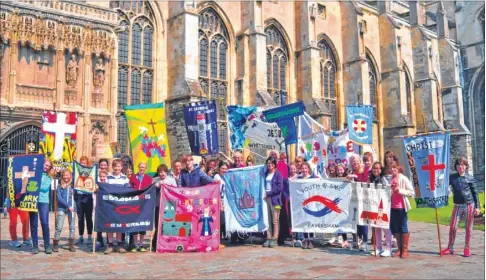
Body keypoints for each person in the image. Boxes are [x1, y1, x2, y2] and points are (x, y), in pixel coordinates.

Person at [441, 157, 481, 258]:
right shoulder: (452, 177)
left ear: (466, 166)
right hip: (457, 205)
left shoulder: (470, 178)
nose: (460, 167)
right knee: (453, 226)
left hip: (469, 205)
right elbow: (443, 184)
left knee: (468, 227)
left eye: (462, 165)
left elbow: (475, 193)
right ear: (456, 167)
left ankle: (467, 248)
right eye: (458, 165)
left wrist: (477, 207)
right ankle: (450, 247)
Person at [388, 162, 414, 258]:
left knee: (403, 226)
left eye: (395, 168)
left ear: (398, 168)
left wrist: (400, 191)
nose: (393, 170)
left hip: (401, 206)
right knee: (395, 227)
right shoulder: (390, 179)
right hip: (392, 206)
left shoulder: (403, 178)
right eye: (391, 168)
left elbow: (411, 192)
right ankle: (399, 249)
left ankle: (405, 249)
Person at [104, 159, 130, 254]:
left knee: (120, 224)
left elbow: (128, 191)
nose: (117, 168)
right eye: (115, 166)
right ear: (113, 167)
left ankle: (119, 245)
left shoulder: (125, 178)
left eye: (119, 166)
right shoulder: (108, 177)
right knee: (110, 225)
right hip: (110, 205)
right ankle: (110, 245)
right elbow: (105, 189)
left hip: (121, 205)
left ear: (121, 167)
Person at [30, 158, 54, 254]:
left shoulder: (49, 176)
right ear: (42, 164)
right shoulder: (34, 173)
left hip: (44, 201)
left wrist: (35, 184)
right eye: (45, 165)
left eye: (48, 166)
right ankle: (35, 246)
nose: (46, 167)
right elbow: (30, 186)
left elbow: (44, 188)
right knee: (33, 224)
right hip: (33, 200)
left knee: (44, 223)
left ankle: (47, 245)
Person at [368, 162, 392, 257]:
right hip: (374, 205)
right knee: (376, 227)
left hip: (383, 205)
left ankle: (388, 248)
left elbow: (387, 190)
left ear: (381, 169)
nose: (375, 170)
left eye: (377, 168)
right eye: (374, 168)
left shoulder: (384, 179)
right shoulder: (370, 179)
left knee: (385, 227)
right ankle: (378, 247)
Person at [347, 154, 370, 251]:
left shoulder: (364, 169)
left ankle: (365, 241)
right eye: (353, 161)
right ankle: (357, 239)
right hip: (353, 199)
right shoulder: (350, 171)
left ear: (359, 161)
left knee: (363, 220)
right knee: (355, 220)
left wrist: (355, 176)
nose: (355, 163)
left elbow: (365, 180)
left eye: (356, 161)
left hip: (364, 198)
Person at [153, 164, 177, 251]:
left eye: (162, 172)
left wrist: (166, 185)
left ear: (166, 172)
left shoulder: (171, 180)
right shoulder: (155, 180)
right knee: (158, 225)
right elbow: (153, 186)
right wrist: (158, 184)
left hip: (169, 206)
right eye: (159, 172)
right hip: (158, 205)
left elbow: (175, 190)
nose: (161, 174)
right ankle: (155, 243)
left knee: (169, 224)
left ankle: (169, 243)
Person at [129, 162, 152, 252]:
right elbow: (130, 188)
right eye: (140, 167)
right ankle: (135, 244)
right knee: (135, 223)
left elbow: (150, 189)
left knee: (142, 223)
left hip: (144, 203)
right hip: (134, 203)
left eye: (143, 167)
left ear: (145, 168)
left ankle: (141, 244)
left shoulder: (148, 178)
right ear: (138, 168)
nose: (142, 169)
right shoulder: (133, 177)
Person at [296, 162, 318, 249]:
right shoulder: (299, 178)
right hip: (303, 202)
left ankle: (311, 240)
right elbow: (291, 179)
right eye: (302, 168)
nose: (304, 170)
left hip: (312, 202)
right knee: (304, 220)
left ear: (308, 169)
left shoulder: (313, 178)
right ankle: (305, 239)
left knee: (311, 221)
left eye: (305, 168)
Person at [53, 169, 76, 252]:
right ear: (62, 176)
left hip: (72, 208)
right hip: (62, 208)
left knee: (72, 227)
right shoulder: (59, 186)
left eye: (67, 175)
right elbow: (59, 198)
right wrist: (67, 206)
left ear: (70, 175)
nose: (66, 177)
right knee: (59, 226)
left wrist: (75, 192)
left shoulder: (73, 186)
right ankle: (55, 243)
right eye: (64, 175)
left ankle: (71, 244)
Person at [263, 157, 283, 248]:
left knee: (275, 220)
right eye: (268, 163)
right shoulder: (266, 173)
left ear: (274, 164)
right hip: (266, 199)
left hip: (275, 200)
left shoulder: (278, 174)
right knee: (268, 219)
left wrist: (269, 193)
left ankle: (275, 238)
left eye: (271, 163)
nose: (269, 165)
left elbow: (279, 188)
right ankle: (268, 237)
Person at [75, 156, 94, 246]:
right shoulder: (77, 172)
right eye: (82, 163)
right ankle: (81, 236)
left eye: (85, 163)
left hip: (88, 198)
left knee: (89, 218)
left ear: (87, 164)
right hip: (79, 197)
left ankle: (89, 236)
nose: (83, 164)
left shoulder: (90, 173)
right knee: (80, 218)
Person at [278, 162, 298, 246]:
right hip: (287, 200)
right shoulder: (286, 178)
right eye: (291, 169)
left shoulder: (299, 177)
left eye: (294, 169)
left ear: (296, 169)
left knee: (295, 219)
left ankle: (297, 236)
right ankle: (286, 235)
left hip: (296, 201)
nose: (292, 170)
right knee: (287, 218)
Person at [213, 161, 229, 249]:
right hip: (218, 202)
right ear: (219, 168)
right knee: (219, 222)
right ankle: (217, 242)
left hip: (223, 201)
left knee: (222, 222)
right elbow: (216, 191)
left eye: (226, 169)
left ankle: (219, 241)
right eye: (223, 168)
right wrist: (220, 204)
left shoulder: (224, 177)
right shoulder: (217, 177)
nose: (224, 170)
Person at [95, 170, 108, 250]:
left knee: (107, 224)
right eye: (101, 177)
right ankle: (99, 241)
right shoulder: (97, 185)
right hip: (99, 206)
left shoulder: (108, 185)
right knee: (98, 224)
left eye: (104, 176)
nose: (102, 178)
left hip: (107, 206)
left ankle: (107, 241)